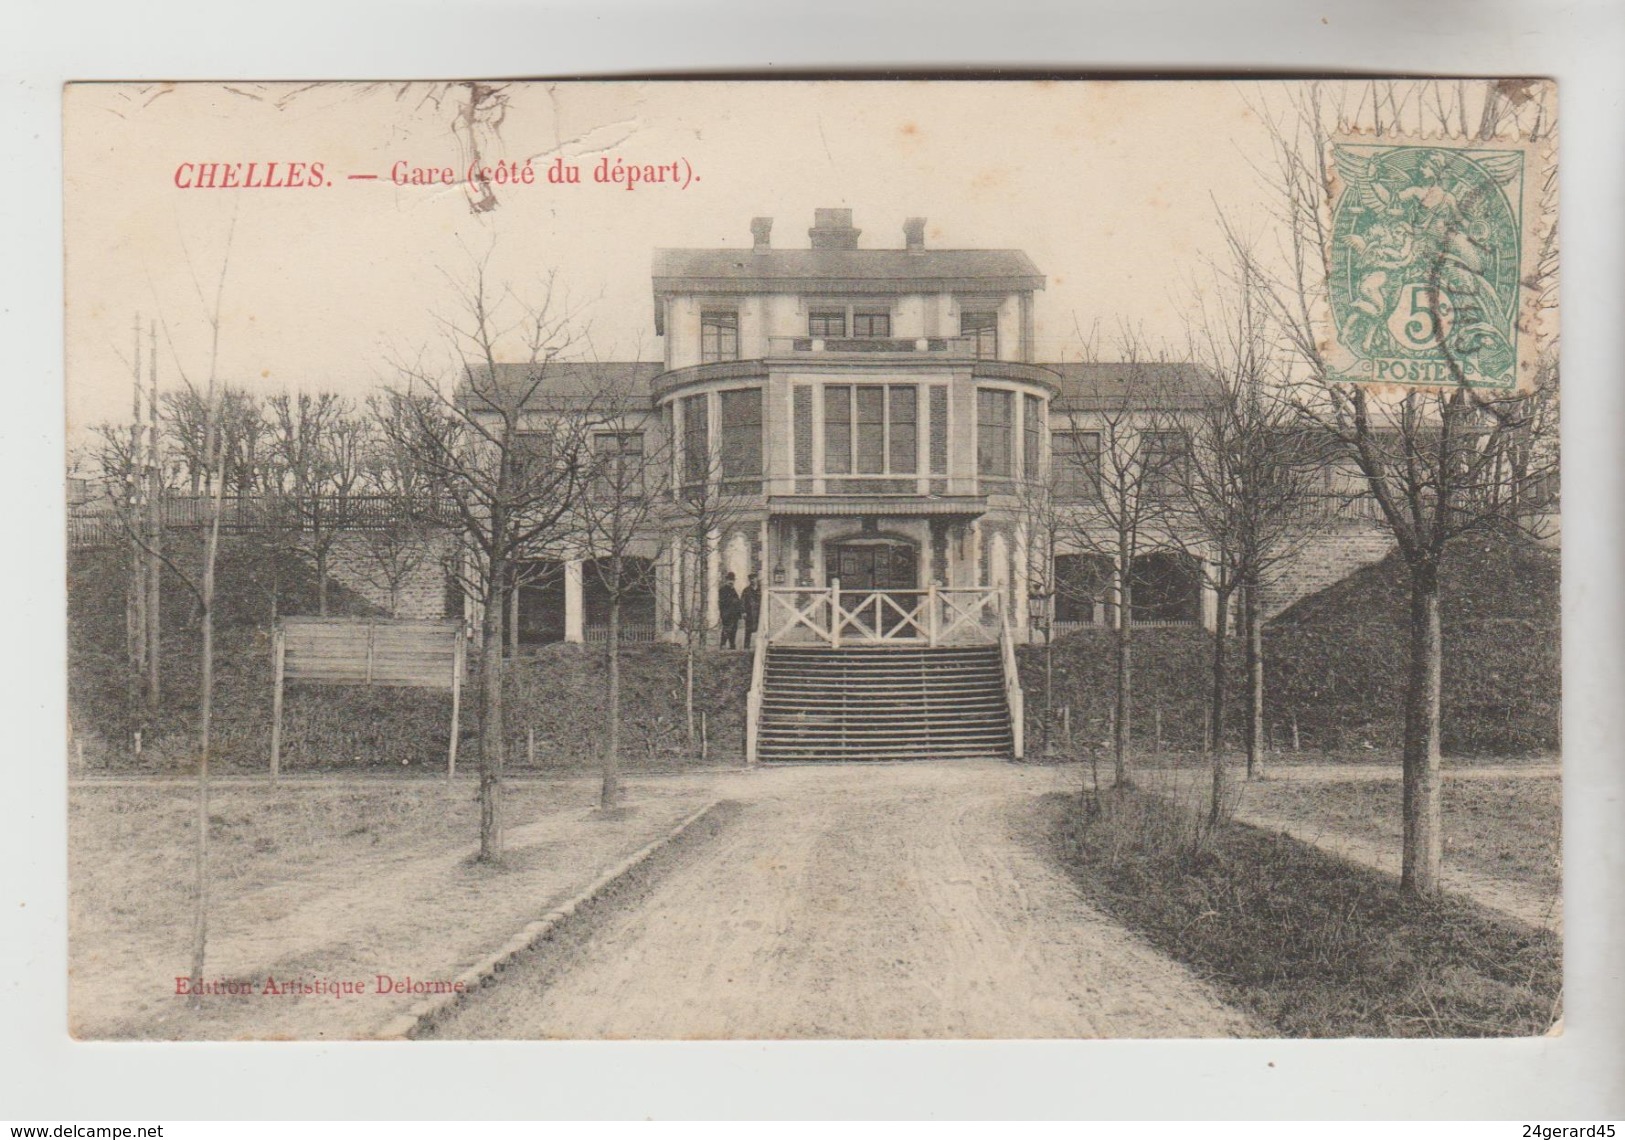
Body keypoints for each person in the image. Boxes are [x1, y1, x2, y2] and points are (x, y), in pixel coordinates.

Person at [718, 572, 742, 649]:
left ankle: (732, 645)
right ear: (726, 580)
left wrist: (739, 612)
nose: (731, 582)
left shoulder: (733, 590)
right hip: (726, 614)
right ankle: (723, 644)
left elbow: (738, 601)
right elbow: (724, 601)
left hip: (734, 614)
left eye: (732, 580)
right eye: (729, 580)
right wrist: (733, 601)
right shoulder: (722, 589)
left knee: (734, 630)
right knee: (726, 629)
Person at [741, 572, 762, 650]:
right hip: (749, 613)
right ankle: (746, 647)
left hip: (760, 613)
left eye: (754, 578)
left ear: (757, 579)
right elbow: (742, 601)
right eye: (751, 579)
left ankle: (760, 646)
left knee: (761, 630)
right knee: (748, 630)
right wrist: (743, 612)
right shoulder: (746, 590)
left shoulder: (761, 590)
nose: (752, 580)